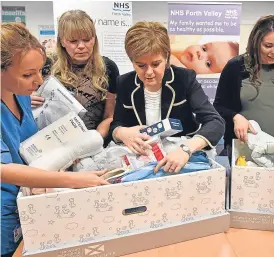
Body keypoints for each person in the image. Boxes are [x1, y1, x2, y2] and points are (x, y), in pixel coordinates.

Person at [0, 22, 109, 257]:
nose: (38, 82)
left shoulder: (21, 97)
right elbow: (3, 170)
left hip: (28, 198)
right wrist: (71, 180)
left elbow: (28, 147)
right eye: (28, 74)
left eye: (40, 71)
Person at [109, 21, 225, 173]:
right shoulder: (124, 83)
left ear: (167, 58)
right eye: (141, 66)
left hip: (181, 153)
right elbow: (116, 123)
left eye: (156, 64)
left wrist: (186, 149)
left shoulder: (184, 79)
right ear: (132, 61)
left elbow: (215, 122)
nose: (149, 72)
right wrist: (121, 133)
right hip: (144, 157)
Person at [213, 15, 274, 163]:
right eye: (268, 46)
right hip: (245, 146)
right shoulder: (236, 67)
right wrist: (236, 117)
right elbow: (219, 106)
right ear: (256, 42)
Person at [31, 10, 119, 140]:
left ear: (94, 39)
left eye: (87, 39)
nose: (81, 46)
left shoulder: (108, 67)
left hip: (93, 142)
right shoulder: (45, 65)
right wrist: (25, 100)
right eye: (73, 41)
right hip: (52, 141)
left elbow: (109, 116)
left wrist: (94, 139)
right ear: (62, 41)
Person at [169, 35, 239, 74]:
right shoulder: (184, 41)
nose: (199, 54)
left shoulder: (179, 71)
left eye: (208, 63)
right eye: (204, 48)